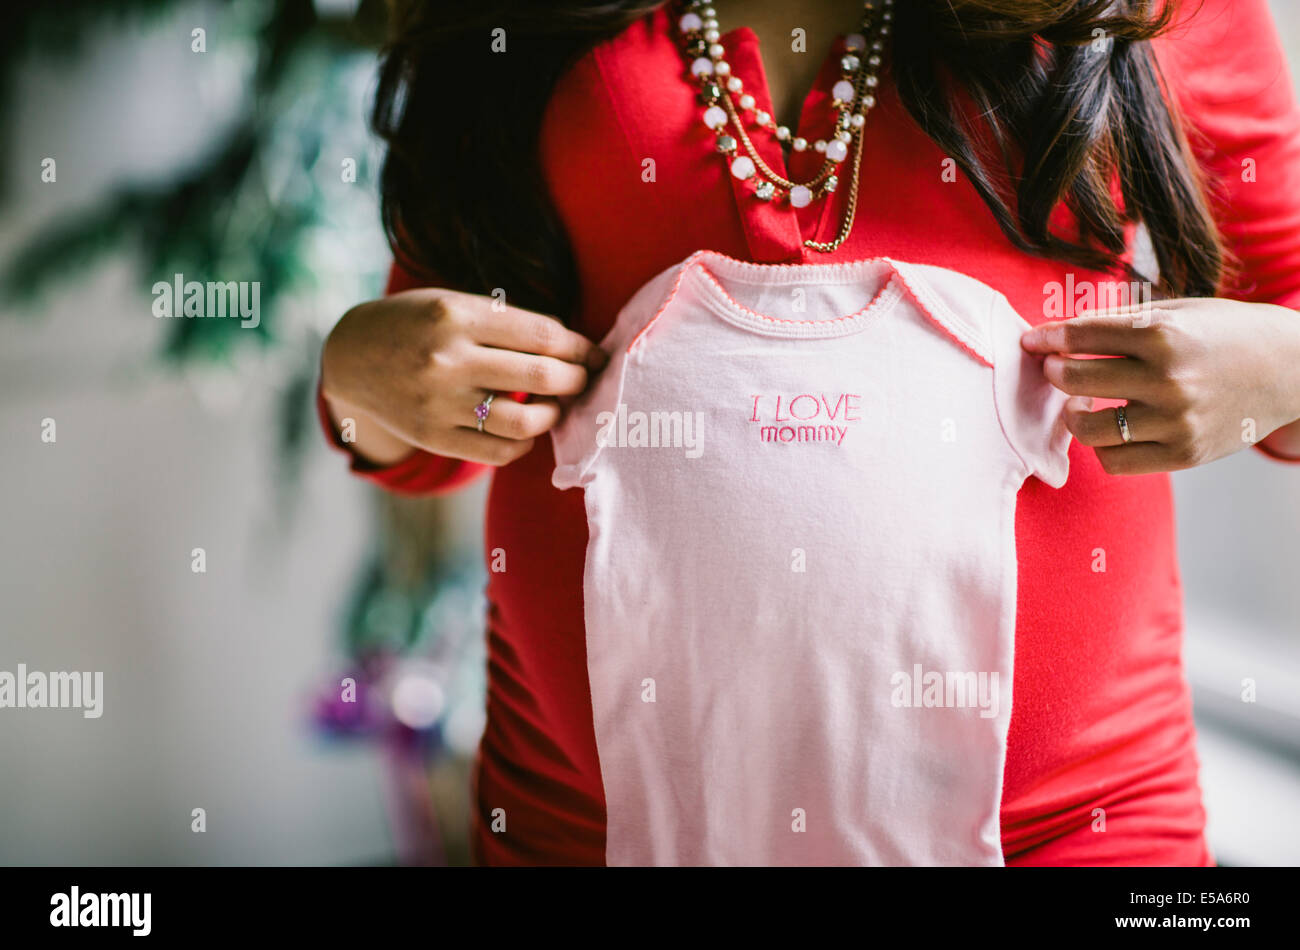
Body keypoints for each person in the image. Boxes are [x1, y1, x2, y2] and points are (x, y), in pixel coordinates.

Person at [318, 0, 1300, 864]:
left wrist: (1278, 369)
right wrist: (363, 377)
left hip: (1078, 826)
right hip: (586, 830)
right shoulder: (507, 22)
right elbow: (432, 422)